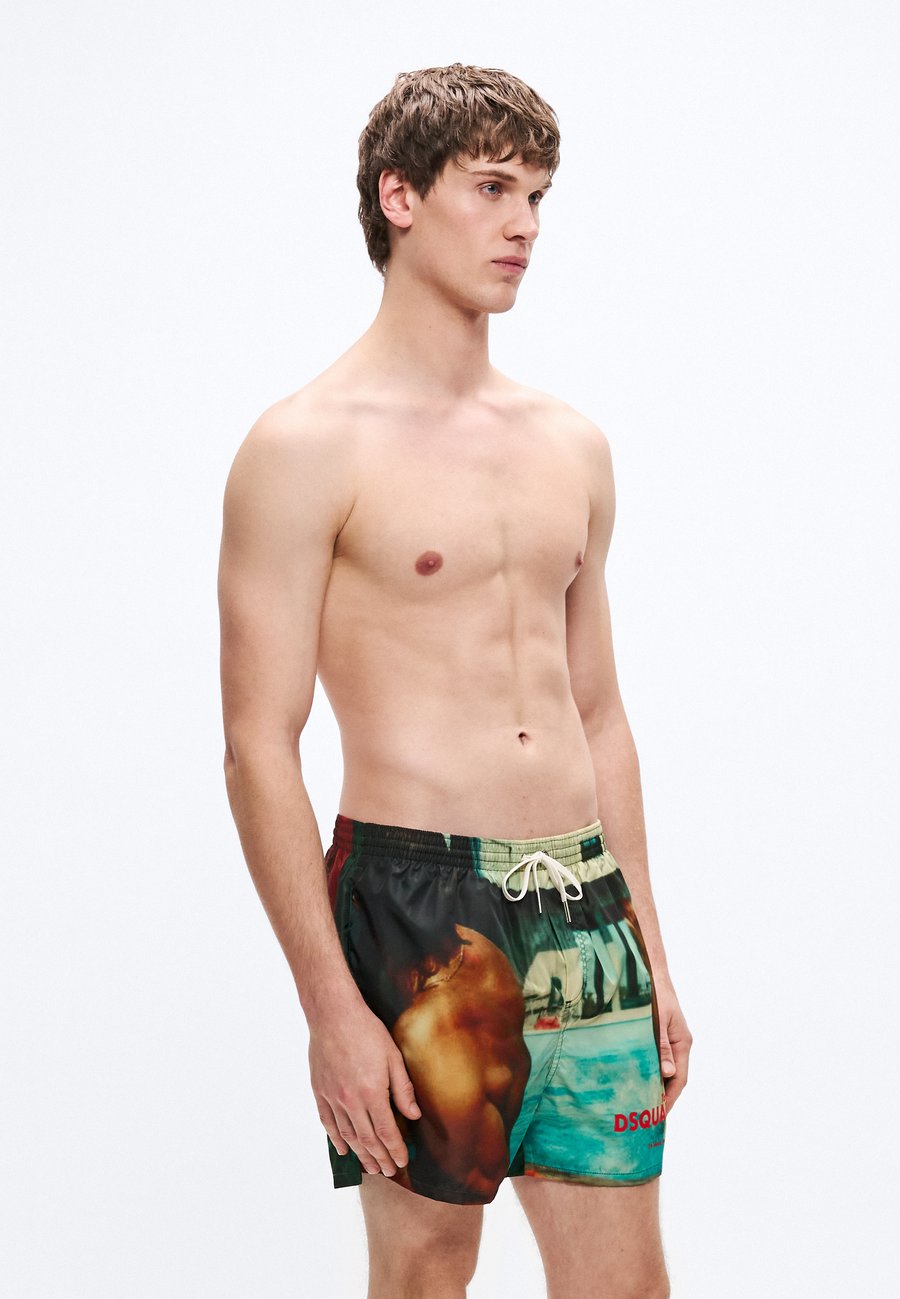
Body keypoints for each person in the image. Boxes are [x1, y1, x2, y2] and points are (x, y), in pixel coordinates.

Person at [218, 61, 691, 1299]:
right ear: (401, 197)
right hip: (416, 908)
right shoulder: (303, 447)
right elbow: (259, 743)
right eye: (491, 188)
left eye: (537, 195)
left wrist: (647, 943)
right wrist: (330, 1007)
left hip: (586, 907)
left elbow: (600, 713)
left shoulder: (571, 444)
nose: (524, 224)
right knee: (427, 1274)